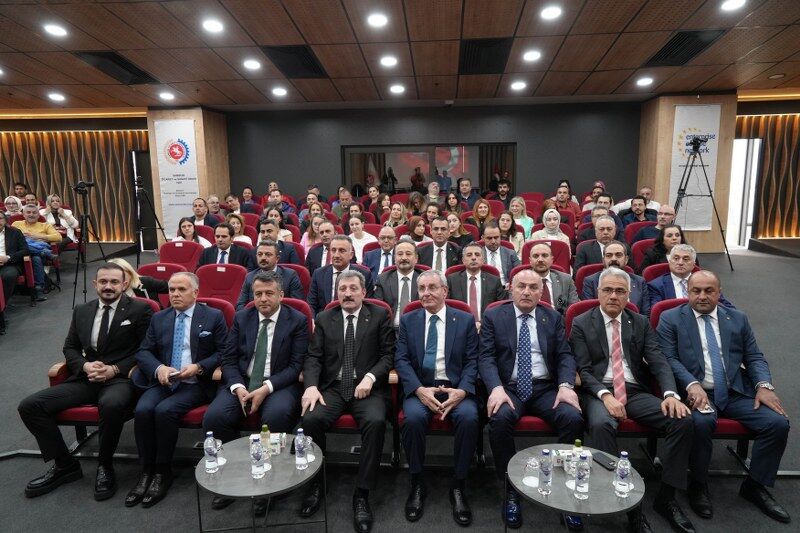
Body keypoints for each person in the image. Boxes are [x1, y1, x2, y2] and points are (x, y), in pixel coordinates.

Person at [657, 271, 790, 524]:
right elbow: (668, 358)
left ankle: (755, 485)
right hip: (698, 392)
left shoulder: (737, 318)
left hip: (735, 390)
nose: (702, 296)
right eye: (696, 291)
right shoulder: (671, 318)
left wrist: (764, 386)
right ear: (688, 292)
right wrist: (691, 384)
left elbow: (754, 356)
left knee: (777, 423)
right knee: (701, 423)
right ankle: (698, 484)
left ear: (719, 292)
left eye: (709, 291)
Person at [570, 267, 695, 533]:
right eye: (607, 290)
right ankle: (626, 505)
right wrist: (605, 396)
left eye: (620, 291)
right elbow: (584, 371)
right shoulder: (581, 322)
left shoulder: (639, 322)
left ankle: (667, 498)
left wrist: (670, 394)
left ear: (629, 295)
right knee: (602, 424)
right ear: (597, 292)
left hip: (634, 390)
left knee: (682, 419)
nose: (613, 296)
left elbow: (659, 361)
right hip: (598, 390)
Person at [18, 264, 153, 501]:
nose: (108, 286)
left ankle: (105, 465)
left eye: (114, 282)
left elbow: (146, 350)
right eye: (103, 282)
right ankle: (65, 465)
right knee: (30, 406)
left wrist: (114, 369)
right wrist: (85, 366)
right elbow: (70, 347)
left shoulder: (140, 310)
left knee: (111, 405)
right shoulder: (82, 310)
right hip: (87, 378)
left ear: (124, 284)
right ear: (95, 284)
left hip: (120, 379)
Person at [479, 269, 584, 529]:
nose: (527, 292)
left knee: (572, 417)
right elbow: (486, 356)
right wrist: (495, 388)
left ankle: (564, 488)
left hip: (545, 388)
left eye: (533, 287)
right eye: (521, 286)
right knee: (499, 418)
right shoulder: (494, 315)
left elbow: (565, 355)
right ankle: (511, 489)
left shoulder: (552, 317)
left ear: (541, 292)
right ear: (511, 289)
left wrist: (565, 385)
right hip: (509, 387)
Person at [202, 270, 308, 513]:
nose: (263, 299)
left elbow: (296, 366)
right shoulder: (242, 317)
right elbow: (228, 358)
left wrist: (265, 388)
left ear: (281, 295)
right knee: (215, 417)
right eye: (258, 294)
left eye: (269, 293)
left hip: (278, 383)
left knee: (275, 417)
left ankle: (270, 482)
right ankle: (231, 477)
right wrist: (237, 386)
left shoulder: (297, 320)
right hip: (243, 381)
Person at [299, 270, 395, 532]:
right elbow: (313, 357)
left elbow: (388, 355)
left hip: (366, 387)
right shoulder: (324, 317)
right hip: (333, 387)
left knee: (375, 422)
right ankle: (316, 483)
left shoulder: (378, 315)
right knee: (311, 419)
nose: (348, 294)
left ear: (364, 292)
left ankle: (362, 493)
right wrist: (311, 386)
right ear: (337, 292)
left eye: (353, 288)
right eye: (343, 289)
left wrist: (371, 378)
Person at [127, 272, 227, 508]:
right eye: (171, 290)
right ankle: (146, 470)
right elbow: (144, 351)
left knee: (165, 411)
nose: (175, 294)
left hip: (196, 383)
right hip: (165, 381)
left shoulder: (213, 316)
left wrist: (199, 367)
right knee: (142, 410)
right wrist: (159, 368)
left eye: (181, 289)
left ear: (196, 292)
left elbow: (224, 351)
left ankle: (163, 471)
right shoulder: (159, 318)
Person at [394, 270, 480, 526]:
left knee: (469, 418)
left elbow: (472, 360)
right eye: (421, 288)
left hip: (455, 388)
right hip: (421, 387)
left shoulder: (464, 319)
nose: (426, 293)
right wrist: (418, 389)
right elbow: (401, 359)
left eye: (432, 287)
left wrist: (462, 391)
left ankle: (459, 484)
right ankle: (417, 482)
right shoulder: (408, 320)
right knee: (412, 419)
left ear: (445, 291)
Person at [647, 244, 733, 308]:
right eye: (676, 258)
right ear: (669, 261)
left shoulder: (706, 281)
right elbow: (657, 312)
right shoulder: (656, 286)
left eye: (686, 259)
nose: (680, 263)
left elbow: (726, 306)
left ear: (693, 264)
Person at [307, 235, 372, 316]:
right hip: (325, 320)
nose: (336, 255)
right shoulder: (318, 274)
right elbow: (311, 303)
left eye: (342, 251)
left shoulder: (364, 274)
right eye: (333, 250)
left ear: (351, 255)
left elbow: (368, 305)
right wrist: (313, 320)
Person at [582, 241, 651, 315]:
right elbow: (590, 314)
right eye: (609, 255)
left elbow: (646, 314)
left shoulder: (639, 282)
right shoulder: (591, 281)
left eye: (618, 255)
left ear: (626, 259)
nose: (614, 259)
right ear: (603, 260)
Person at [446, 243, 506, 323]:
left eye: (477, 255)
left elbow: (501, 308)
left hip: (486, 325)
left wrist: (482, 323)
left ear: (483, 260)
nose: (473, 258)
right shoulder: (452, 280)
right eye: (469, 255)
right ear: (463, 260)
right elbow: (446, 306)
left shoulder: (494, 281)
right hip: (458, 323)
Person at [237, 240, 304, 309]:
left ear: (277, 258)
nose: (263, 258)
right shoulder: (250, 277)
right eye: (260, 254)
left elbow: (296, 305)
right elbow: (240, 305)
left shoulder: (290, 276)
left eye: (268, 254)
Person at [13, 204, 60, 300]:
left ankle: (38, 290)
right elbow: (11, 239)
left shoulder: (45, 225)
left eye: (34, 212)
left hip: (38, 252)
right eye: (28, 212)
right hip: (21, 254)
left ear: (38, 215)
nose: (31, 214)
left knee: (36, 259)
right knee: (25, 244)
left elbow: (58, 237)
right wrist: (22, 237)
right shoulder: (16, 224)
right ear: (23, 214)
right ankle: (44, 252)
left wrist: (36, 236)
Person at [373, 238, 421, 328]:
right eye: (400, 254)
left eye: (408, 254)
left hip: (417, 328)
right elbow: (378, 310)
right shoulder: (383, 279)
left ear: (416, 258)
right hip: (390, 329)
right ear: (394, 258)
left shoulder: (424, 279)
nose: (404, 258)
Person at [527, 242, 579, 314]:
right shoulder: (520, 280)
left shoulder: (566, 279)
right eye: (536, 256)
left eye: (544, 255)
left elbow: (574, 308)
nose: (540, 259)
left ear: (552, 259)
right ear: (530, 260)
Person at [0, 211, 28, 332]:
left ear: (5, 220)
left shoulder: (15, 232)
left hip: (10, 264)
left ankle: (2, 306)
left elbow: (25, 250)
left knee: (8, 275)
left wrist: (8, 258)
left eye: (0, 218)